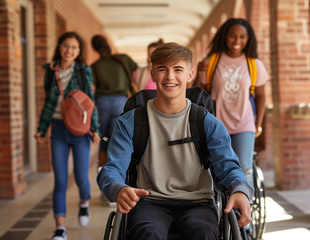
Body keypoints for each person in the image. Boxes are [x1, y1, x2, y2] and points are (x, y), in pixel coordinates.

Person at [97, 42, 253, 240]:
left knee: (204, 232)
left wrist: (240, 189)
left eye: (177, 69)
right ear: (152, 74)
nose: (170, 76)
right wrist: (117, 188)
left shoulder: (206, 122)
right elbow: (112, 168)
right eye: (162, 69)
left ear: (189, 75)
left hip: (197, 203)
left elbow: (228, 165)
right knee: (148, 233)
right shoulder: (130, 122)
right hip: (149, 201)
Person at [34, 31, 100, 240]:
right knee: (60, 180)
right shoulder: (50, 71)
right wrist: (42, 128)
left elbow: (89, 102)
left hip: (80, 131)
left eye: (74, 47)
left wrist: (95, 129)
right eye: (65, 46)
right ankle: (60, 228)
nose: (69, 51)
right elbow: (48, 103)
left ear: (79, 51)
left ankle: (84, 202)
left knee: (81, 177)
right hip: (58, 129)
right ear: (59, 47)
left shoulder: (83, 71)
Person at [194, 18, 269, 187]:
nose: (237, 41)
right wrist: (199, 74)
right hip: (216, 123)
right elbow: (196, 93)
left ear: (249, 39)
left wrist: (258, 123)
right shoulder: (210, 62)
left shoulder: (254, 65)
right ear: (224, 37)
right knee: (217, 169)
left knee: (244, 168)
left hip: (244, 123)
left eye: (242, 37)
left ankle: (243, 209)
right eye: (232, 36)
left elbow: (261, 95)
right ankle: (222, 208)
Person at [91, 35, 137, 168]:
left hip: (102, 104)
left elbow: (92, 84)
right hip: (120, 103)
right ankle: (117, 167)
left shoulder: (95, 66)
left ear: (95, 49)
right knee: (116, 136)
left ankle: (103, 169)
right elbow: (134, 70)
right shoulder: (123, 59)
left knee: (104, 138)